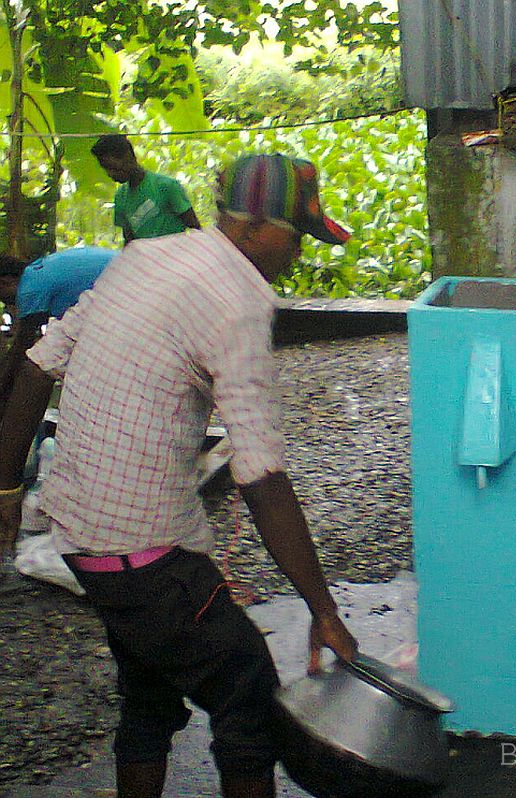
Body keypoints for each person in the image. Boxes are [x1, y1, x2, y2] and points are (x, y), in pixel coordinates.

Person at [0, 152, 356, 798]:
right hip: (143, 557)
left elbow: (33, 366)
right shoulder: (241, 300)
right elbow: (261, 475)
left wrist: (6, 490)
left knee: (150, 692)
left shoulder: (146, 256)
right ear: (249, 227)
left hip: (80, 537)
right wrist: (322, 607)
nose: (300, 252)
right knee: (247, 692)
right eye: (295, 235)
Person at [0, 246, 116, 419]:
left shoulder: (29, 289)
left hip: (121, 289)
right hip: (122, 278)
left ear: (5, 283)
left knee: (35, 370)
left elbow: (21, 349)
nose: (5, 302)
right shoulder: (36, 271)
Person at [91, 134, 201, 244]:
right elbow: (130, 243)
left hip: (175, 256)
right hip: (146, 260)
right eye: (106, 169)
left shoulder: (167, 187)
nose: (110, 174)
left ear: (128, 157)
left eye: (112, 167)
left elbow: (195, 229)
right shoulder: (120, 197)